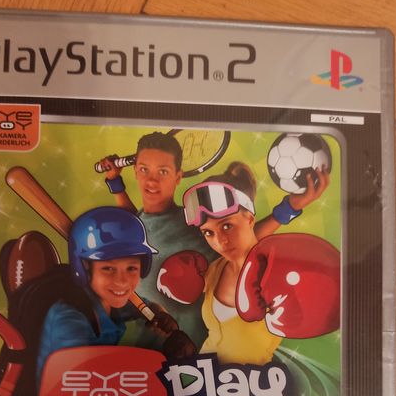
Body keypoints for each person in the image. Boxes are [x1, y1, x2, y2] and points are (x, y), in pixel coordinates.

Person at [179, 161, 330, 364]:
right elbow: (248, 242)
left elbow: (253, 248)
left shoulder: (275, 273)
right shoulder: (215, 269)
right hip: (203, 376)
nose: (220, 242)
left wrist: (289, 208)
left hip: (254, 381)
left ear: (250, 219)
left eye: (226, 226)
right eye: (208, 232)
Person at [37, 206, 193, 382]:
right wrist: (161, 362)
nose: (122, 281)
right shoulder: (69, 318)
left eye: (131, 268)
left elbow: (147, 307)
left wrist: (163, 318)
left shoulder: (112, 300)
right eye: (108, 268)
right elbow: (79, 380)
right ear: (85, 267)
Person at [97, 132, 214, 346]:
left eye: (163, 171)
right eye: (144, 169)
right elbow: (139, 223)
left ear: (178, 177)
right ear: (135, 171)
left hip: (202, 353)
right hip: (150, 355)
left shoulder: (194, 221)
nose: (152, 180)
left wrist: (281, 213)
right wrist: (114, 181)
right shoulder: (137, 227)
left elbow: (240, 241)